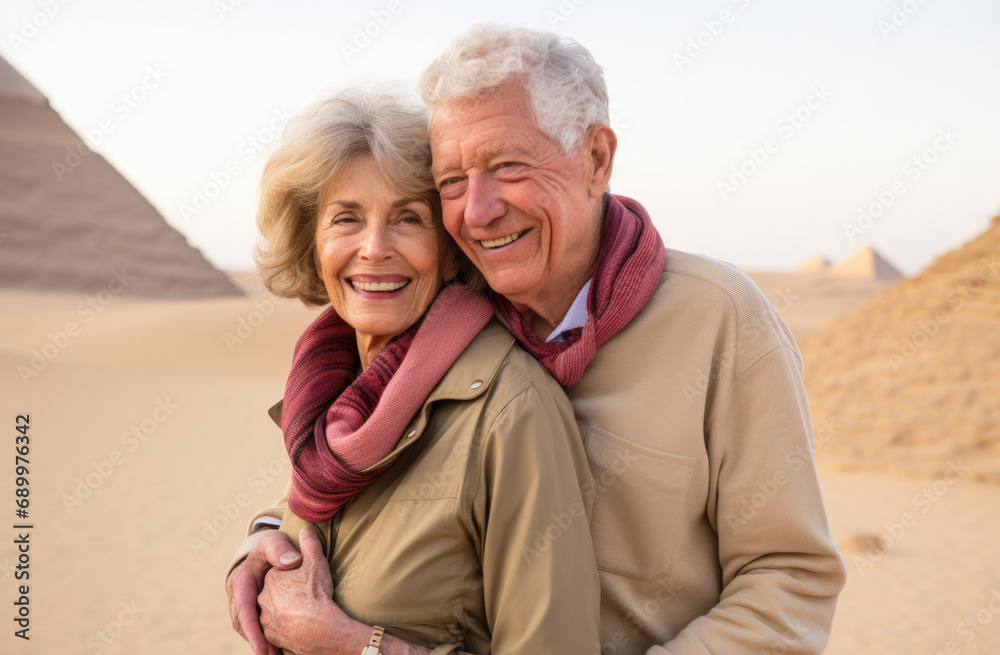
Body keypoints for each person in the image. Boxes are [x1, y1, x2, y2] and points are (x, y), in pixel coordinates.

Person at [229, 25, 848, 655]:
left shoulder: (718, 319)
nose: (478, 211)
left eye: (508, 167)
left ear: (596, 161)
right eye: (451, 181)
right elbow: (370, 465)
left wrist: (359, 648)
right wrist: (270, 533)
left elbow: (789, 576)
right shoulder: (446, 326)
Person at [227, 85, 601, 655]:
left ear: (451, 248)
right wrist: (259, 544)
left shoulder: (513, 412)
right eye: (346, 219)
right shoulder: (335, 398)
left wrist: (360, 648)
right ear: (312, 242)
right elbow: (316, 517)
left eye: (407, 219)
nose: (374, 249)